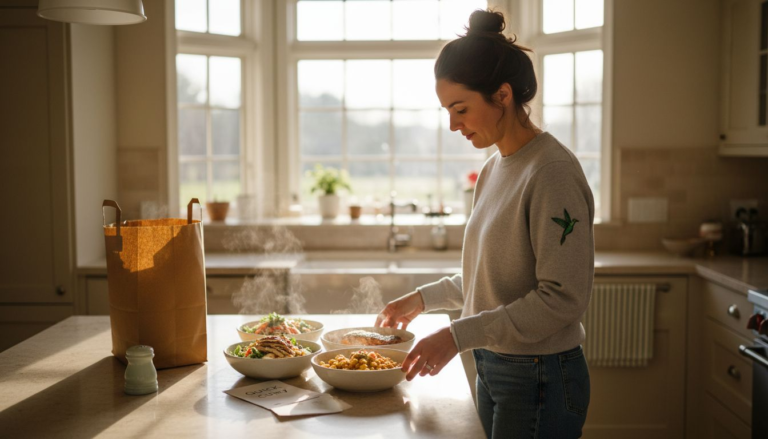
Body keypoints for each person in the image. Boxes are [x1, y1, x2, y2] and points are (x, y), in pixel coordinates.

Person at [375, 9, 595, 439]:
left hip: (540, 377)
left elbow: (562, 298)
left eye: (460, 109)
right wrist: (422, 299)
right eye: (447, 111)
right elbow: (493, 276)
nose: (453, 124)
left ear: (502, 95)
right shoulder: (496, 168)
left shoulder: (551, 172)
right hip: (495, 365)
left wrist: (457, 335)